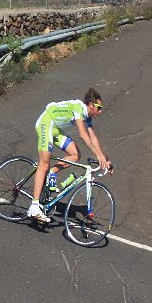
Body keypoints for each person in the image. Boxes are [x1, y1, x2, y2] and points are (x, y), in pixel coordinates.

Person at [26, 87, 111, 224]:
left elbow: (93, 138)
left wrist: (104, 159)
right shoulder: (78, 108)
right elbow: (83, 135)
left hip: (55, 129)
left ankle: (52, 173)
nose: (101, 111)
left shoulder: (87, 117)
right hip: (46, 123)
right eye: (99, 107)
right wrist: (98, 156)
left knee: (76, 154)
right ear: (91, 105)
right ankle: (34, 207)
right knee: (44, 163)